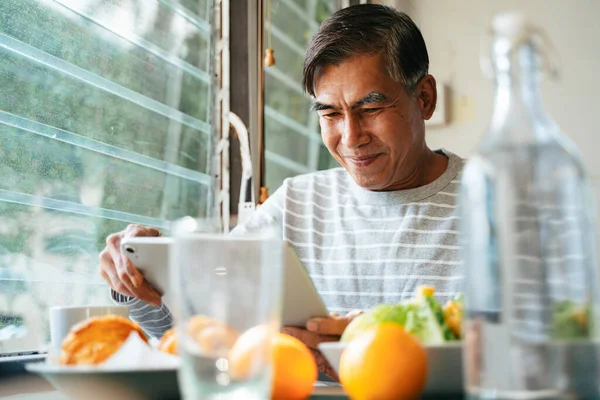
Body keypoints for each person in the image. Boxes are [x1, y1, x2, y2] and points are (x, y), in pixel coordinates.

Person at [99, 4, 463, 378]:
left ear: (424, 98)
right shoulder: (296, 205)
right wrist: (135, 278)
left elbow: (518, 359)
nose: (351, 138)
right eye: (331, 114)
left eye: (370, 108)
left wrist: (380, 354)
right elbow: (195, 340)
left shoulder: (496, 206)